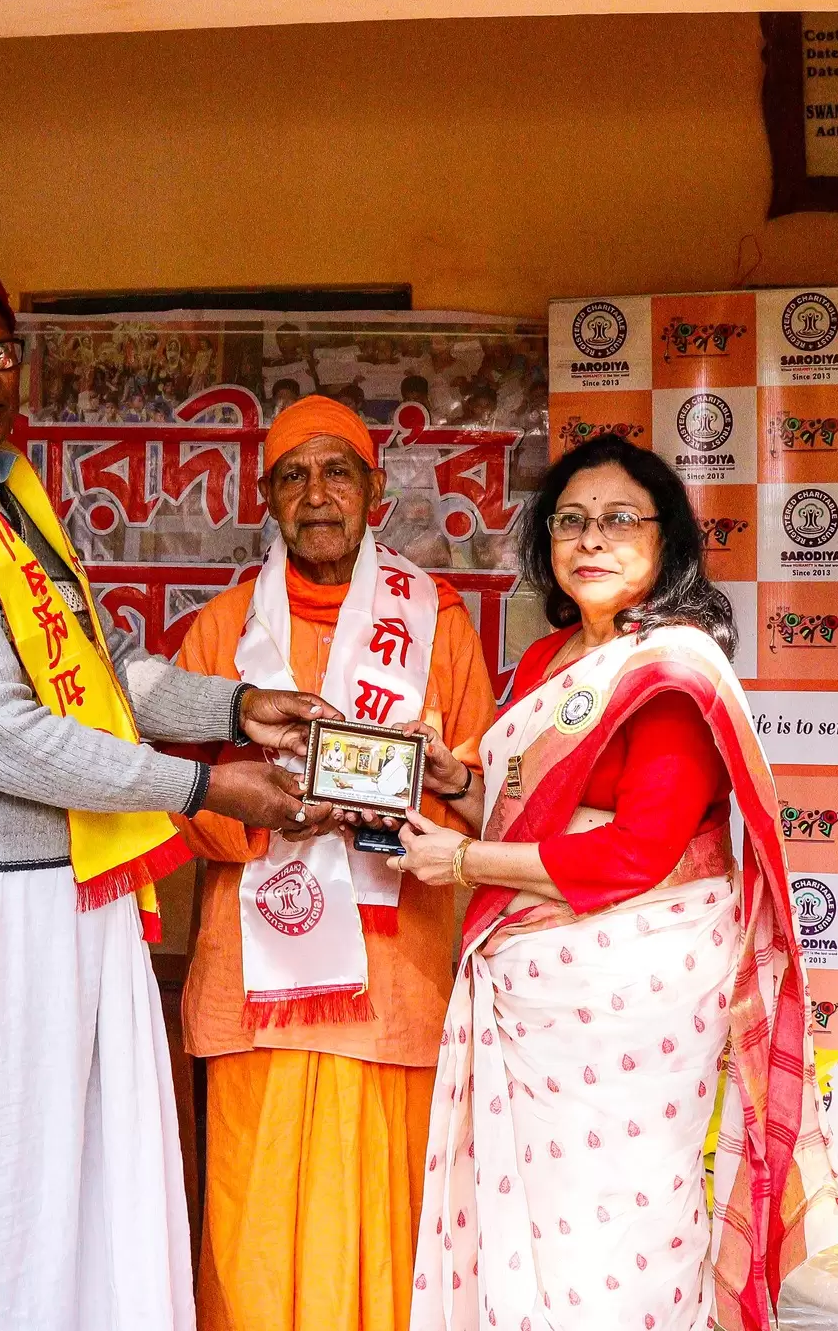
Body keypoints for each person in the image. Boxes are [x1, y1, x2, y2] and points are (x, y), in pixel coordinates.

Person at [0, 240, 336, 1331]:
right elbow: (3, 738)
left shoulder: (2, 498)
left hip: (47, 893)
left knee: (66, 1184)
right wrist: (202, 789)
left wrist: (236, 708)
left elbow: (98, 672)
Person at [395, 435, 838, 1330]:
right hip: (532, 990)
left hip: (633, 999)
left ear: (664, 539)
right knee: (529, 1225)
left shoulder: (671, 670)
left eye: (618, 520)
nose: (591, 539)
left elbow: (636, 853)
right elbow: (526, 813)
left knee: (619, 1230)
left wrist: (460, 863)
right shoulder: (546, 660)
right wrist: (457, 784)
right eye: (570, 521)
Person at [171, 395, 498, 1331]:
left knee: (384, 1233)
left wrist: (421, 794)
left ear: (374, 490)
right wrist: (267, 812)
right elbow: (182, 795)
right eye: (294, 476)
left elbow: (482, 792)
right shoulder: (221, 630)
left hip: (392, 977)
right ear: (266, 496)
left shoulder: (436, 622)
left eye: (337, 472)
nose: (317, 495)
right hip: (257, 983)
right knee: (255, 1230)